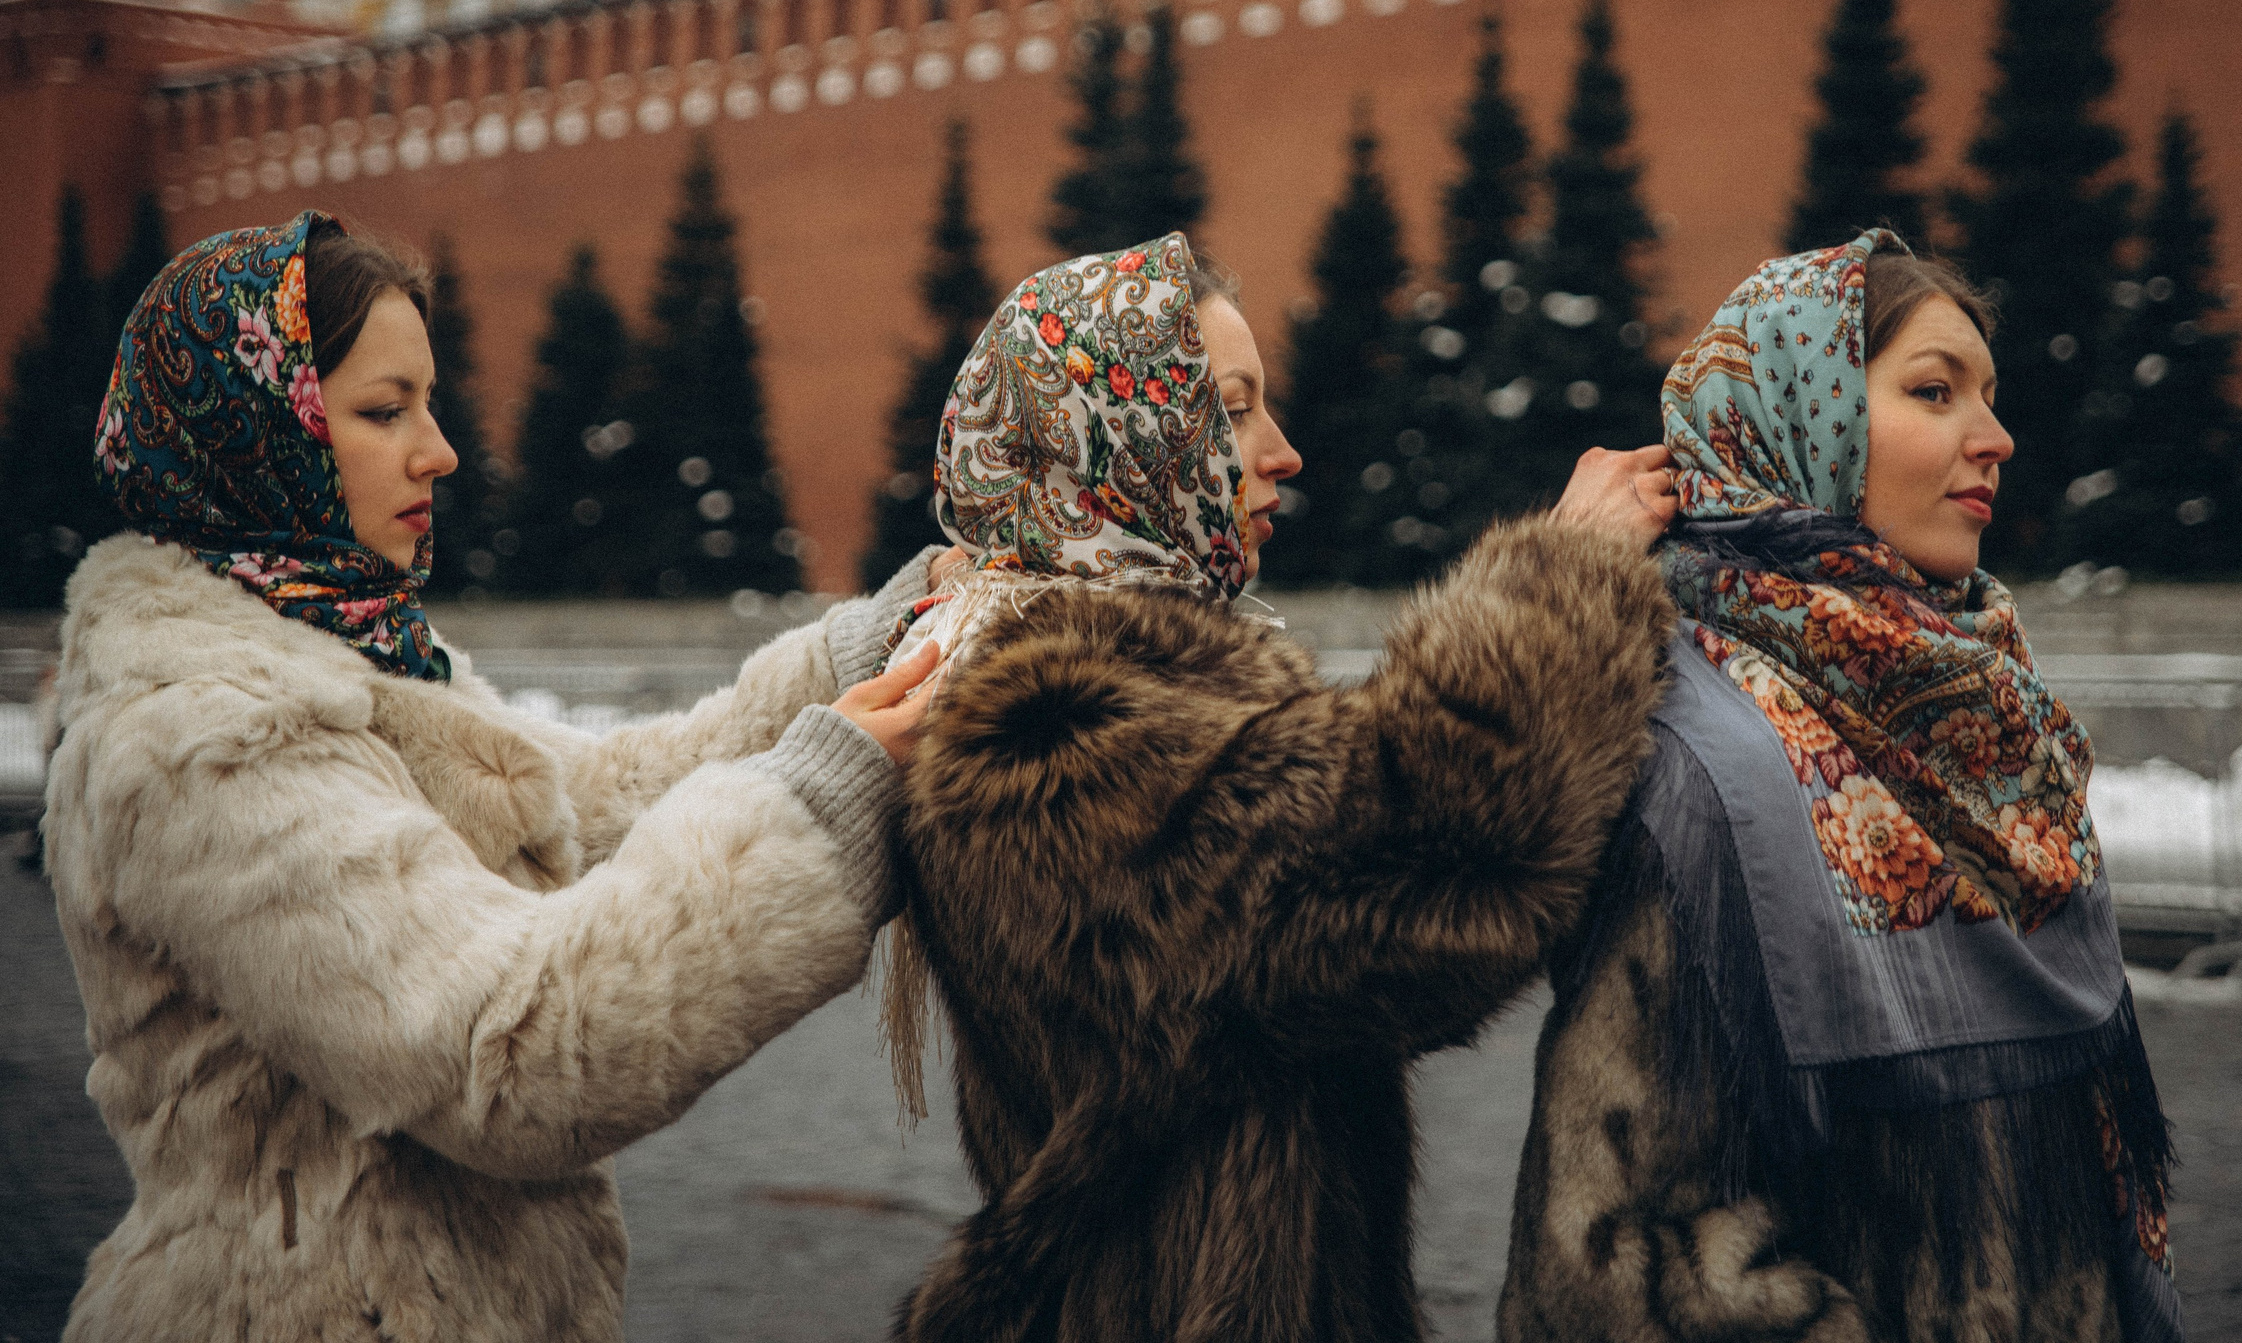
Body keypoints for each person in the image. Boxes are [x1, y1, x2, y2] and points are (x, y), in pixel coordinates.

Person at [44, 211, 952, 1343]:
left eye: (427, 401)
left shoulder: (357, 659)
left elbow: (597, 801)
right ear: (254, 431)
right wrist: (820, 807)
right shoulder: (200, 740)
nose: (442, 451)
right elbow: (505, 1053)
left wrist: (862, 652)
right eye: (384, 411)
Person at [876, 232, 1678, 1342]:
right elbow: (1446, 853)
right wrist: (1568, 563)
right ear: (1117, 433)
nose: (1283, 451)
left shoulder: (1114, 684)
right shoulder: (1043, 742)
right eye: (1235, 407)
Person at [1498, 231, 2181, 1343]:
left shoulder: (1992, 717)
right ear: (1797, 415)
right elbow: (1630, 1257)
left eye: (1990, 396)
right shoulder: (1692, 750)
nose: (1995, 438)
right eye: (1932, 390)